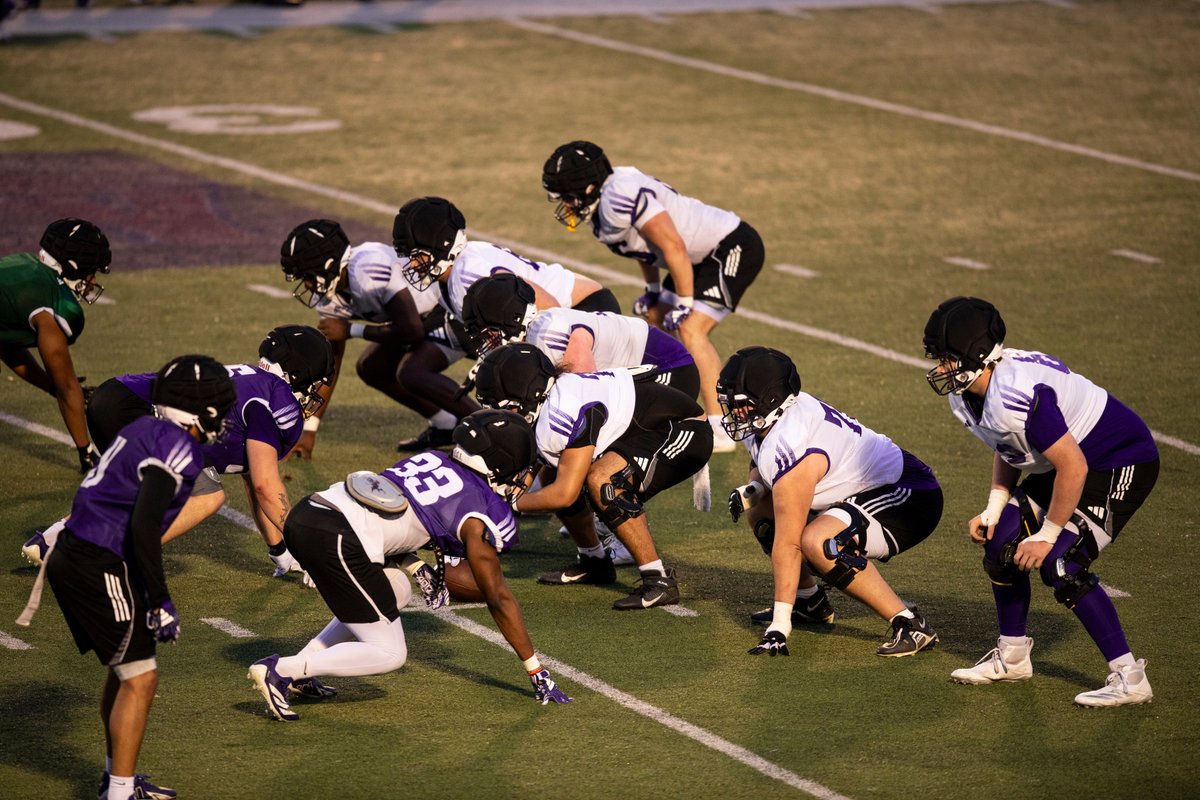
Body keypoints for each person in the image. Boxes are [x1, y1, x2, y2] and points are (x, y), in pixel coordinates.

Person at [247, 409, 572, 720]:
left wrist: (415, 566)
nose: (524, 477)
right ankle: (282, 671)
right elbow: (498, 596)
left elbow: (390, 511)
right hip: (337, 537)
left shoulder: (433, 458)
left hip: (313, 512)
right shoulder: (479, 511)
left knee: (397, 589)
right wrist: (535, 668)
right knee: (390, 653)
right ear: (501, 465)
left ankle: (303, 669)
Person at [923, 297, 1160, 706]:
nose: (940, 368)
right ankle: (1013, 657)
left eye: (947, 358)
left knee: (1061, 564)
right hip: (1066, 461)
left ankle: (1130, 676)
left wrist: (1047, 535)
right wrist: (995, 507)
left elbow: (1074, 468)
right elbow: (1008, 443)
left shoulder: (1018, 393)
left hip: (1117, 460)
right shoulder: (969, 394)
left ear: (978, 357)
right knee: (1001, 544)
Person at [21, 355, 236, 800]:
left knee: (125, 673)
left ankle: (115, 780)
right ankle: (118, 793)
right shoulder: (180, 449)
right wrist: (159, 597)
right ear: (201, 409)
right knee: (141, 678)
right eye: (220, 403)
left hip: (78, 551)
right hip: (98, 560)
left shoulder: (140, 429)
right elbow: (143, 527)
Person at [22, 326, 334, 579]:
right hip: (141, 412)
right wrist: (308, 549)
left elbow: (255, 482)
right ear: (298, 374)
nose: (315, 392)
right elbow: (267, 486)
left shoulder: (255, 384)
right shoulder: (274, 398)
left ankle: (50, 540)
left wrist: (282, 552)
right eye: (315, 383)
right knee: (206, 496)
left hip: (117, 399)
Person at [717, 346, 942, 657]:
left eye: (742, 405)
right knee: (761, 511)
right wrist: (755, 488)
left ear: (770, 401)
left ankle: (909, 622)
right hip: (862, 490)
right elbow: (762, 461)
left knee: (819, 542)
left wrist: (779, 626)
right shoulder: (774, 419)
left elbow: (788, 543)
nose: (735, 413)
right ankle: (809, 600)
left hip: (907, 497)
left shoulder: (791, 440)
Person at [542, 141, 766, 453]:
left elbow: (672, 244)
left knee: (691, 329)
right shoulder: (606, 204)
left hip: (728, 246)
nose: (566, 204)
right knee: (656, 321)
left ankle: (720, 426)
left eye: (568, 195)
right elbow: (646, 248)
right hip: (694, 258)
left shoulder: (620, 195)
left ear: (589, 187)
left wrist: (685, 302)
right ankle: (663, 410)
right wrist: (654, 291)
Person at [474, 343, 713, 610]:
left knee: (604, 482)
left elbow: (563, 495)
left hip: (682, 430)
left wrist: (510, 504)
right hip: (642, 429)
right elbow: (536, 464)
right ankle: (595, 562)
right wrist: (512, 490)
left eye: (506, 406)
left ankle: (658, 580)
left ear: (529, 397)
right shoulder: (550, 401)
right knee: (560, 474)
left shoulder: (560, 411)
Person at [280, 219, 478, 454]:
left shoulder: (369, 268)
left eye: (308, 277)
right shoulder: (330, 296)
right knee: (371, 367)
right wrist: (309, 429)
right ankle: (446, 424)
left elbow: (412, 331)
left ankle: (488, 429)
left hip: (452, 311)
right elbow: (330, 366)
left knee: (413, 372)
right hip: (422, 320)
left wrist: (353, 330)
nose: (308, 285)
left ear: (329, 265)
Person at [460, 272, 699, 400]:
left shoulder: (548, 336)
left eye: (488, 332)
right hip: (648, 373)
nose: (486, 341)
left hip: (669, 372)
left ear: (511, 320)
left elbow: (586, 393)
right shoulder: (538, 329)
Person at [390, 196, 621, 321]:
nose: (412, 264)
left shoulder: (471, 274)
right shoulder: (448, 278)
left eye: (417, 255)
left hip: (582, 310)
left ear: (442, 246)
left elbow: (551, 311)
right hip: (568, 310)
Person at [1, 218, 112, 472]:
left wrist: (50, 385)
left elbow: (7, 345)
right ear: (73, 266)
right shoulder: (52, 304)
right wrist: (87, 453)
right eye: (91, 270)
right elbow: (67, 388)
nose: (92, 280)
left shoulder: (23, 265)